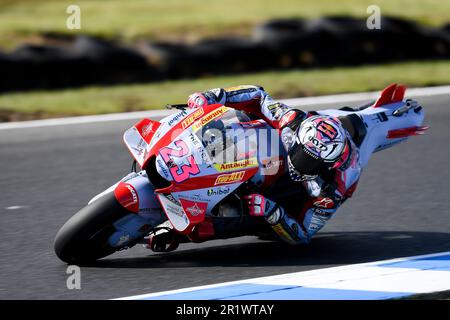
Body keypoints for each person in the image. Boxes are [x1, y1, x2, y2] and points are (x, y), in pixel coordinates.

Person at [186, 85, 362, 245]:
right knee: (244, 115)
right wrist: (212, 97)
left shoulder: (330, 192)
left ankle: (203, 225)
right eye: (303, 155)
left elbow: (302, 234)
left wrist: (271, 210)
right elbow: (258, 95)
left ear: (328, 166)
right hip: (270, 151)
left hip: (289, 193)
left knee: (255, 213)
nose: (305, 164)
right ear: (298, 139)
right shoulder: (291, 120)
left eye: (313, 163)